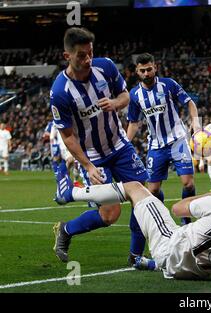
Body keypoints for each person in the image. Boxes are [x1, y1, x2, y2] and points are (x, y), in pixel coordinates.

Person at [54, 170, 211, 280]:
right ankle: (152, 263)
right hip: (192, 274)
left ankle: (70, 192)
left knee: (135, 188)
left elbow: (177, 209)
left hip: (168, 246)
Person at [50, 27, 149, 265]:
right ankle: (66, 230)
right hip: (94, 156)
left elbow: (126, 95)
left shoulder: (105, 67)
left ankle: (136, 256)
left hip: (119, 145)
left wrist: (115, 103)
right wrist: (88, 165)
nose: (87, 59)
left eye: (90, 53)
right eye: (81, 55)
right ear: (67, 57)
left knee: (143, 194)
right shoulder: (60, 92)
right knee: (110, 214)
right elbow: (68, 136)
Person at [127, 53, 200, 225]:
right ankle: (163, 220)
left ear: (155, 68)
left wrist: (195, 123)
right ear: (137, 71)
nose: (146, 73)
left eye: (149, 69)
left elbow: (189, 102)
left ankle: (185, 218)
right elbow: (133, 123)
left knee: (188, 184)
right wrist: (124, 144)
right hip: (156, 145)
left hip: (178, 140)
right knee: (152, 190)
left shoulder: (168, 84)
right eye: (142, 70)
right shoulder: (135, 95)